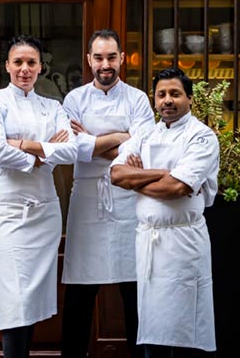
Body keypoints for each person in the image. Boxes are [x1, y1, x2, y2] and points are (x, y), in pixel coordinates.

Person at [0, 35, 78, 358]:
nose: (24, 69)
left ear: (41, 68)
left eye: (31, 63)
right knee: (12, 298)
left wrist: (23, 144)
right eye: (18, 62)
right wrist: (43, 154)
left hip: (44, 214)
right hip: (6, 214)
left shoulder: (52, 106)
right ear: (7, 65)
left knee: (31, 299)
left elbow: (71, 149)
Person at [110, 67, 219, 357]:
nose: (167, 100)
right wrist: (157, 173)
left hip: (183, 243)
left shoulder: (202, 137)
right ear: (154, 100)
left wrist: (139, 177)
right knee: (152, 330)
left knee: (184, 330)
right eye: (161, 95)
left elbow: (177, 187)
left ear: (190, 99)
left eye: (175, 94)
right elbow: (117, 175)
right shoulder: (145, 134)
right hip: (148, 242)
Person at [60, 29, 154, 358]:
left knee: (134, 290)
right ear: (89, 60)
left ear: (122, 59)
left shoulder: (138, 99)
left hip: (128, 199)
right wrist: (120, 137)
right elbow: (71, 149)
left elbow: (140, 152)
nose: (105, 64)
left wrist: (93, 142)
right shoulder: (74, 100)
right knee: (80, 293)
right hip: (86, 201)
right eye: (98, 57)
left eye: (111, 57)